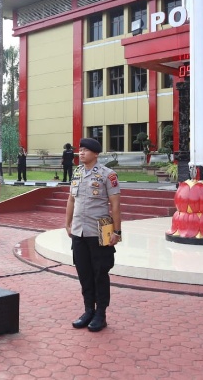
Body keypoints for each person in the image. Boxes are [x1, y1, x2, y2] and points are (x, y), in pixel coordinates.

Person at [65, 137, 122, 333]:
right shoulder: (77, 173)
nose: (81, 153)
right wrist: (67, 223)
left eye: (85, 150)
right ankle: (88, 310)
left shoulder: (108, 174)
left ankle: (101, 314)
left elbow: (115, 205)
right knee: (84, 273)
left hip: (99, 231)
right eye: (79, 150)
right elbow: (71, 200)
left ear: (95, 154)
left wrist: (117, 231)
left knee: (100, 273)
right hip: (79, 231)